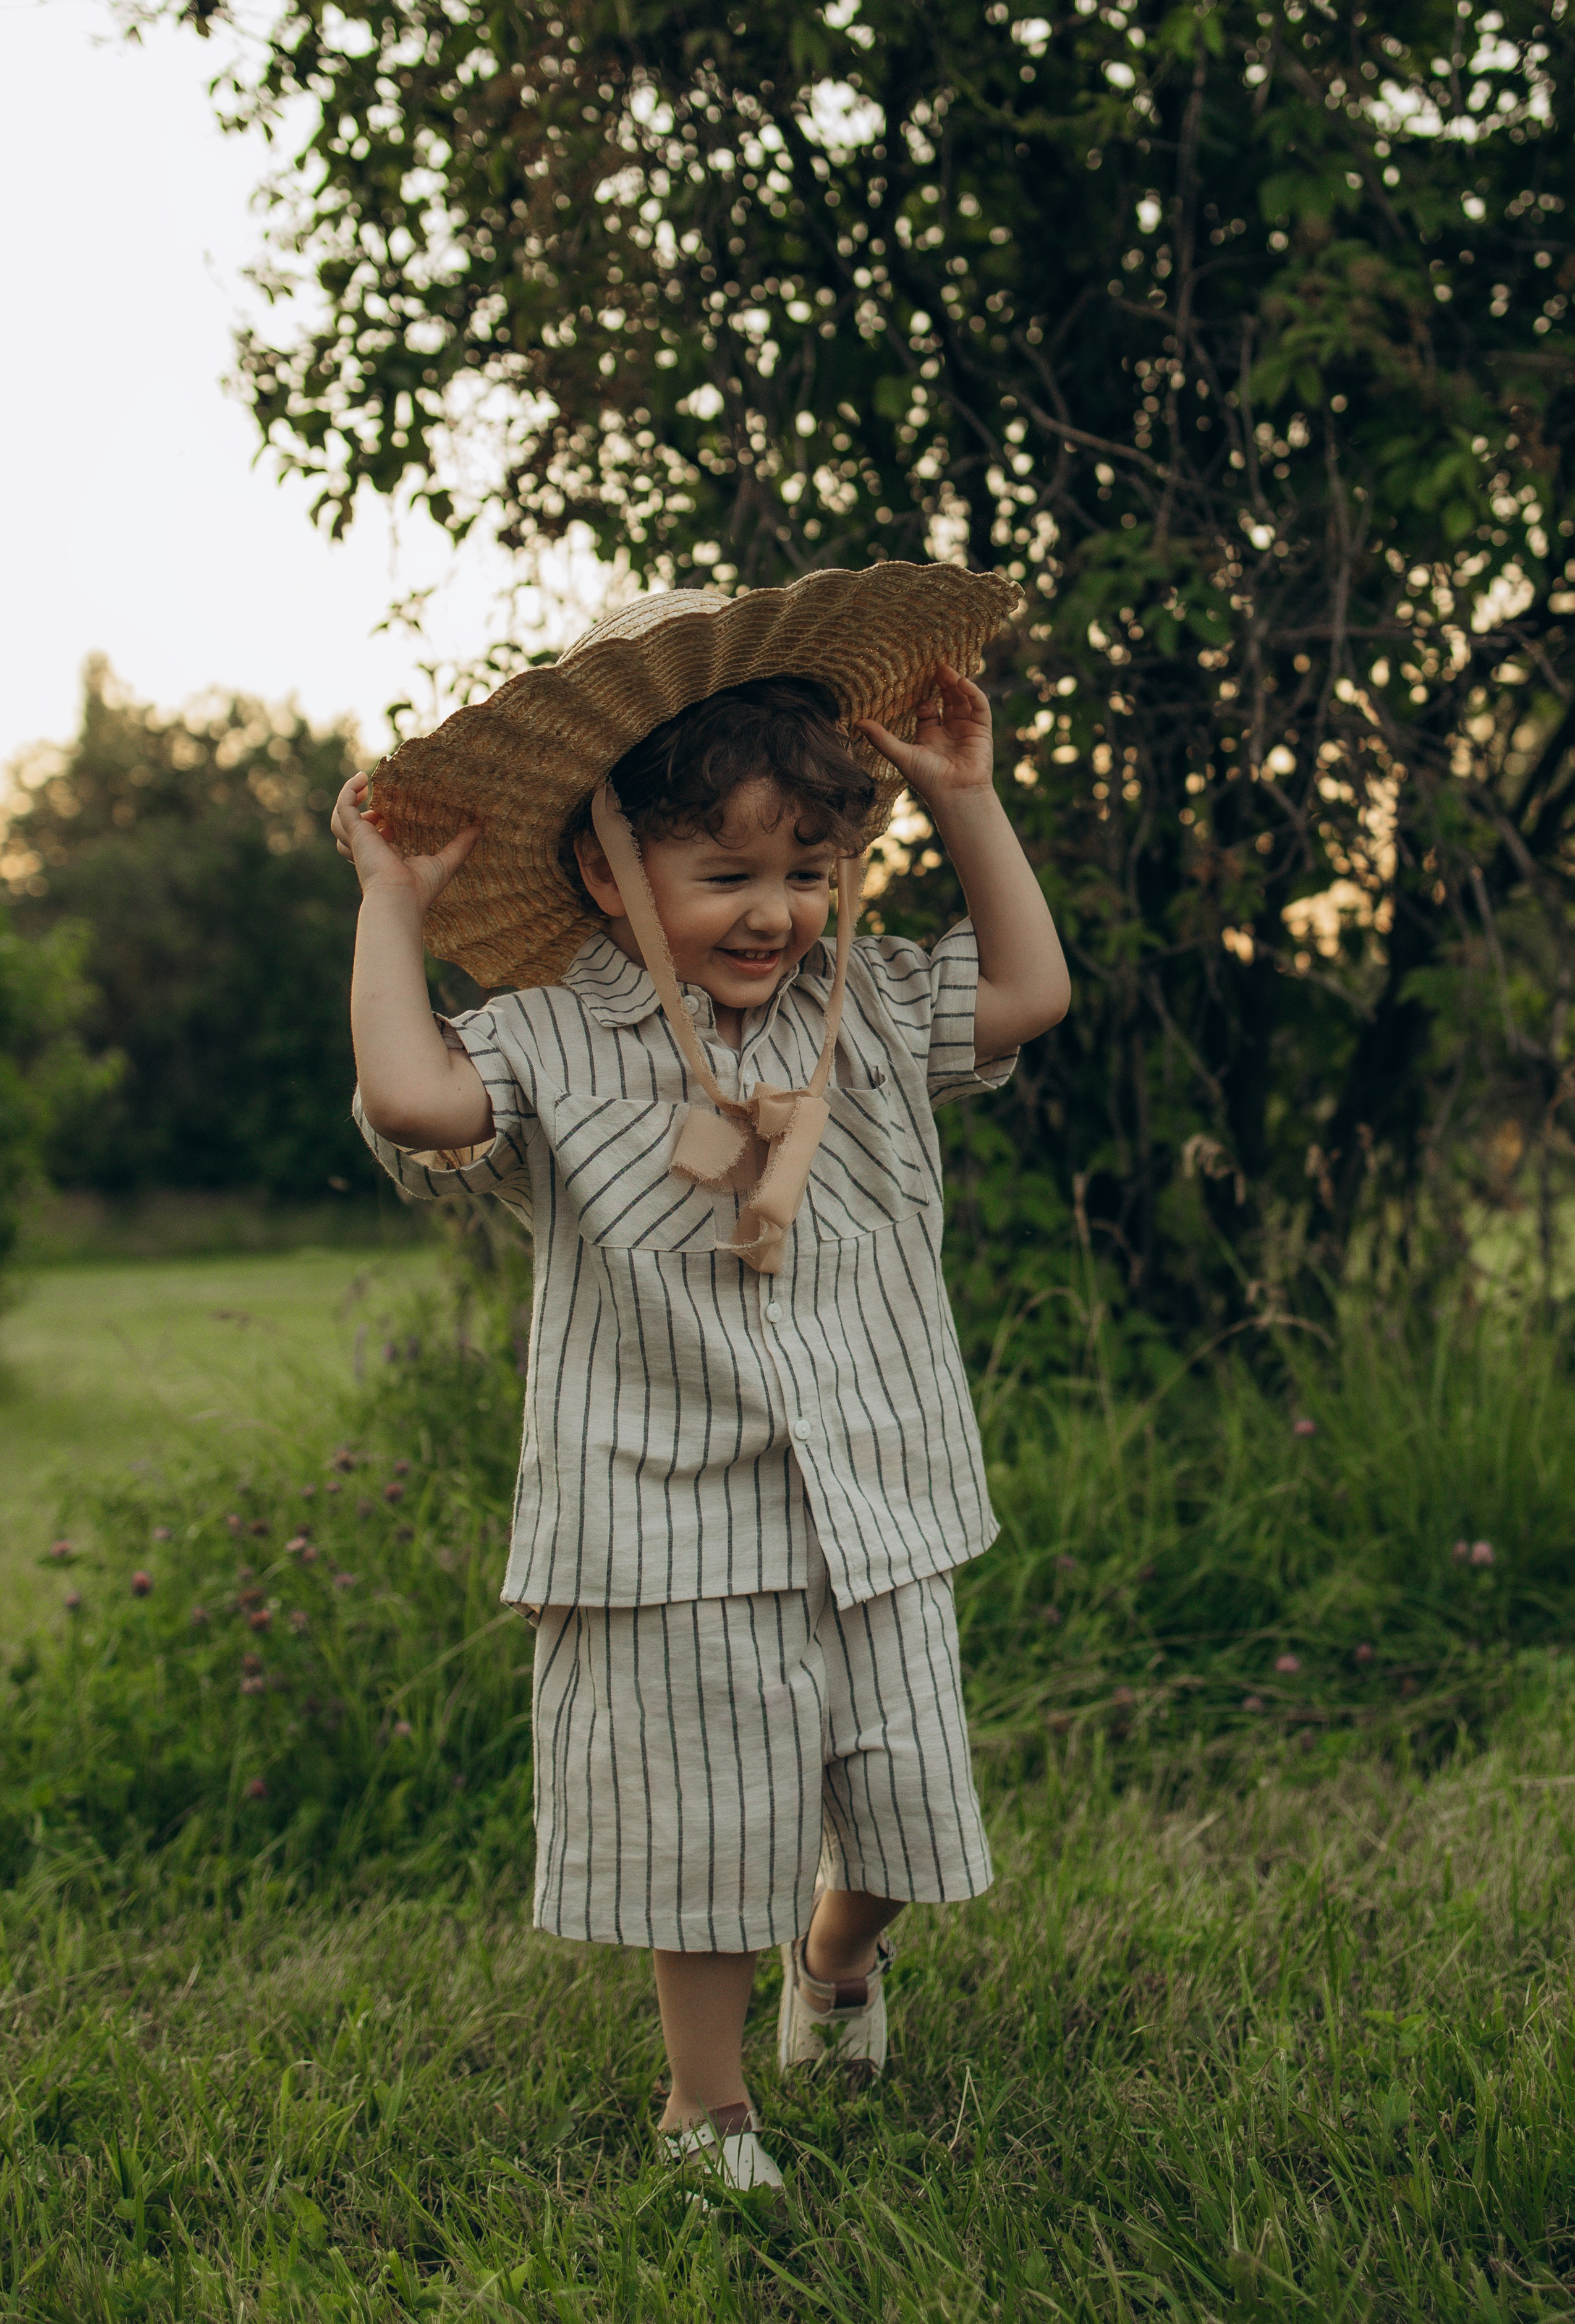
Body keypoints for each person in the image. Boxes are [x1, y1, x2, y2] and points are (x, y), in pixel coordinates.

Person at [334, 564, 1070, 2191]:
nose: (773, 910)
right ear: (609, 871)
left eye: (806, 870)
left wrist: (966, 800)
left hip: (878, 1487)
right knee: (705, 1820)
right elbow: (411, 1097)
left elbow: (1027, 992)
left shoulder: (859, 1005)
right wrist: (392, 904)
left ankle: (841, 1960)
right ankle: (707, 2107)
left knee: (902, 1793)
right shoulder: (547, 1040)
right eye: (725, 870)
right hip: (661, 1520)